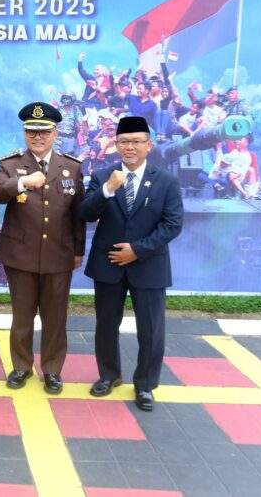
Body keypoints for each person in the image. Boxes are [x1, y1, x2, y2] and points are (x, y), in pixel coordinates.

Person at [79, 116, 184, 412]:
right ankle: (108, 375)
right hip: (109, 264)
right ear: (116, 145)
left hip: (149, 265)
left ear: (149, 146)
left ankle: (145, 384)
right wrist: (107, 190)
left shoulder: (166, 181)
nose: (130, 147)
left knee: (151, 329)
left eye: (137, 141)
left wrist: (137, 250)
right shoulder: (102, 176)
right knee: (106, 325)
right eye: (124, 141)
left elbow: (172, 224)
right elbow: (85, 214)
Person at [0, 102, 84, 394]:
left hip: (59, 253)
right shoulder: (10, 164)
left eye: (44, 132)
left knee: (55, 318)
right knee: (22, 316)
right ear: (24, 133)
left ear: (55, 133)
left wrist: (78, 250)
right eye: (32, 131)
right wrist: (22, 182)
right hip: (20, 255)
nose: (38, 137)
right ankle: (21, 366)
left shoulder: (71, 167)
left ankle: (52, 370)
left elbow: (78, 213)